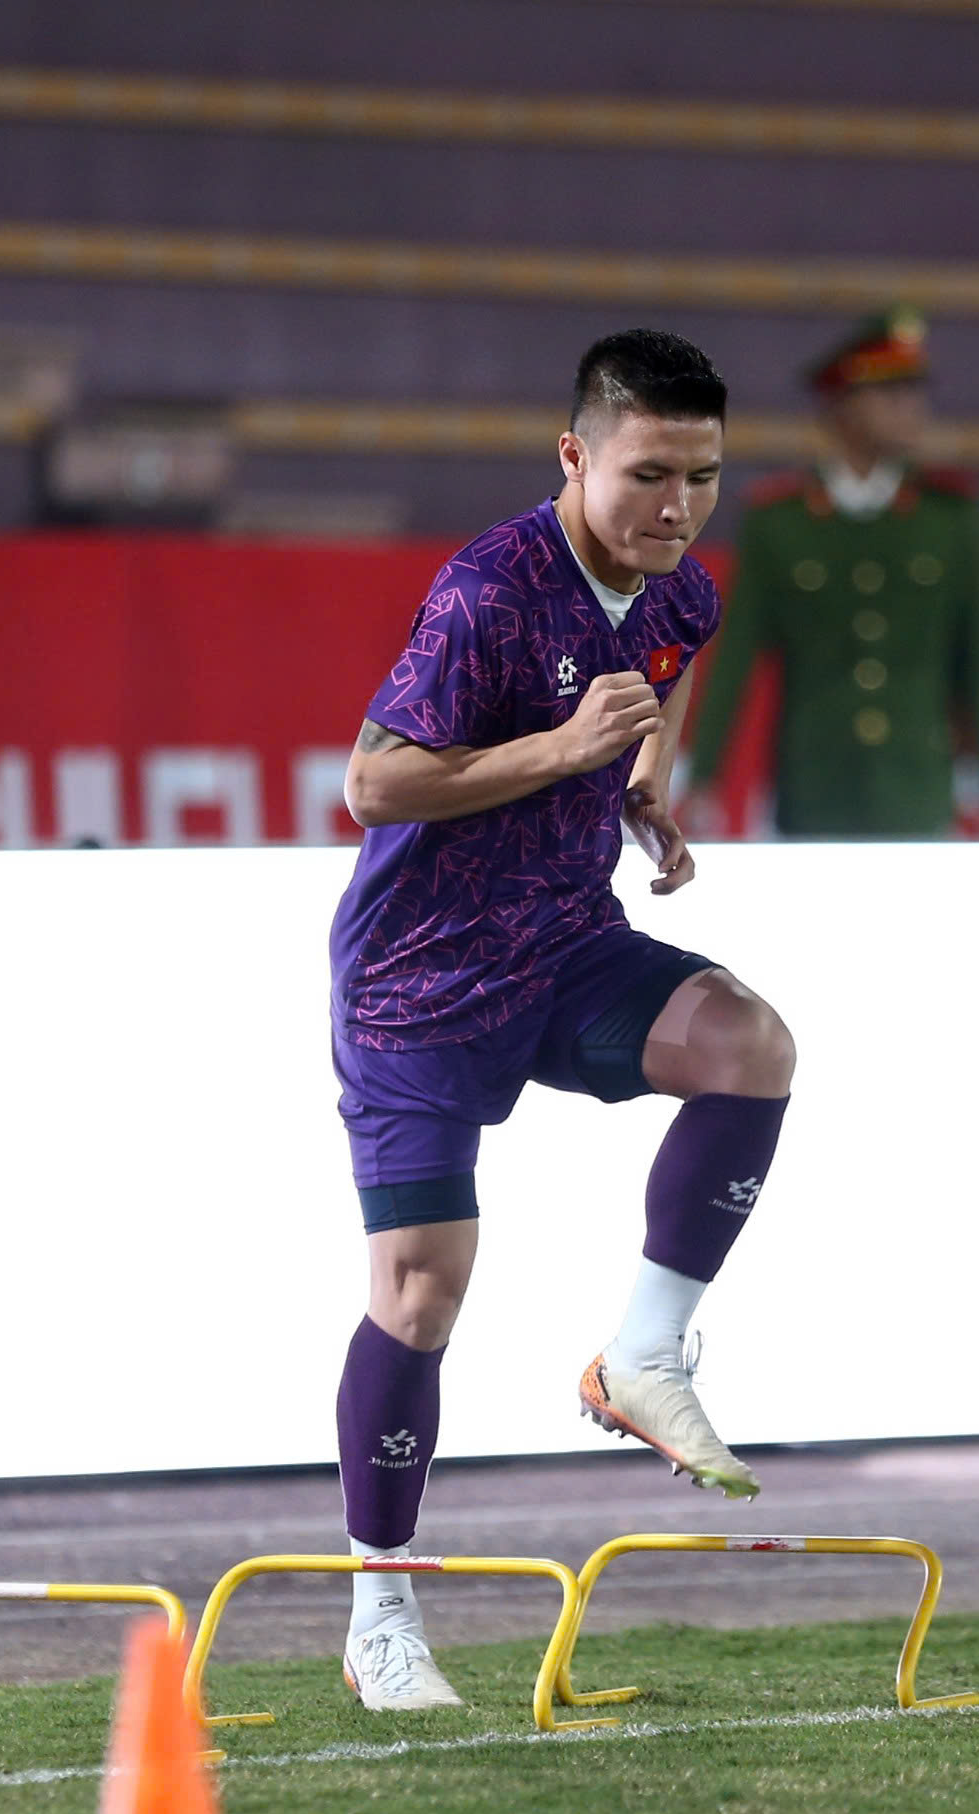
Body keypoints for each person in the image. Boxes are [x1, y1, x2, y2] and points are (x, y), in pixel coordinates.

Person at [327, 329, 791, 1710]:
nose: (678, 508)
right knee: (420, 1293)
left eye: (704, 477)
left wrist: (648, 779)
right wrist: (565, 752)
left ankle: (641, 1355)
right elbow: (372, 784)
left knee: (751, 1043)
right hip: (421, 976)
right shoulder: (485, 593)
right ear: (576, 455)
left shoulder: (680, 587)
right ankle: (382, 1615)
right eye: (650, 474)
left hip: (567, 946)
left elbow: (669, 668)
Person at [686, 307, 979, 837]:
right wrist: (704, 778)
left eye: (915, 392)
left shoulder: (949, 518)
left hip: (917, 784)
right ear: (842, 409)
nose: (914, 409)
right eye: (891, 395)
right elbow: (736, 659)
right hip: (813, 784)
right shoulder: (781, 522)